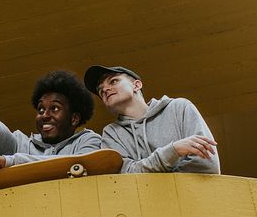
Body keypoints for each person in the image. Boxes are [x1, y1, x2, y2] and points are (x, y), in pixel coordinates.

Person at [0, 45, 102, 172]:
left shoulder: (89, 141)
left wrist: (11, 161)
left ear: (74, 118)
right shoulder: (19, 145)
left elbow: (73, 164)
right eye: (40, 109)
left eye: (54, 108)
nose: (45, 115)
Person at [83, 65, 219, 174]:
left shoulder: (179, 108)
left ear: (136, 85)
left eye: (113, 81)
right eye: (101, 91)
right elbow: (124, 179)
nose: (105, 89)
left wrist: (149, 174)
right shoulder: (111, 133)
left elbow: (207, 165)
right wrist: (173, 151)